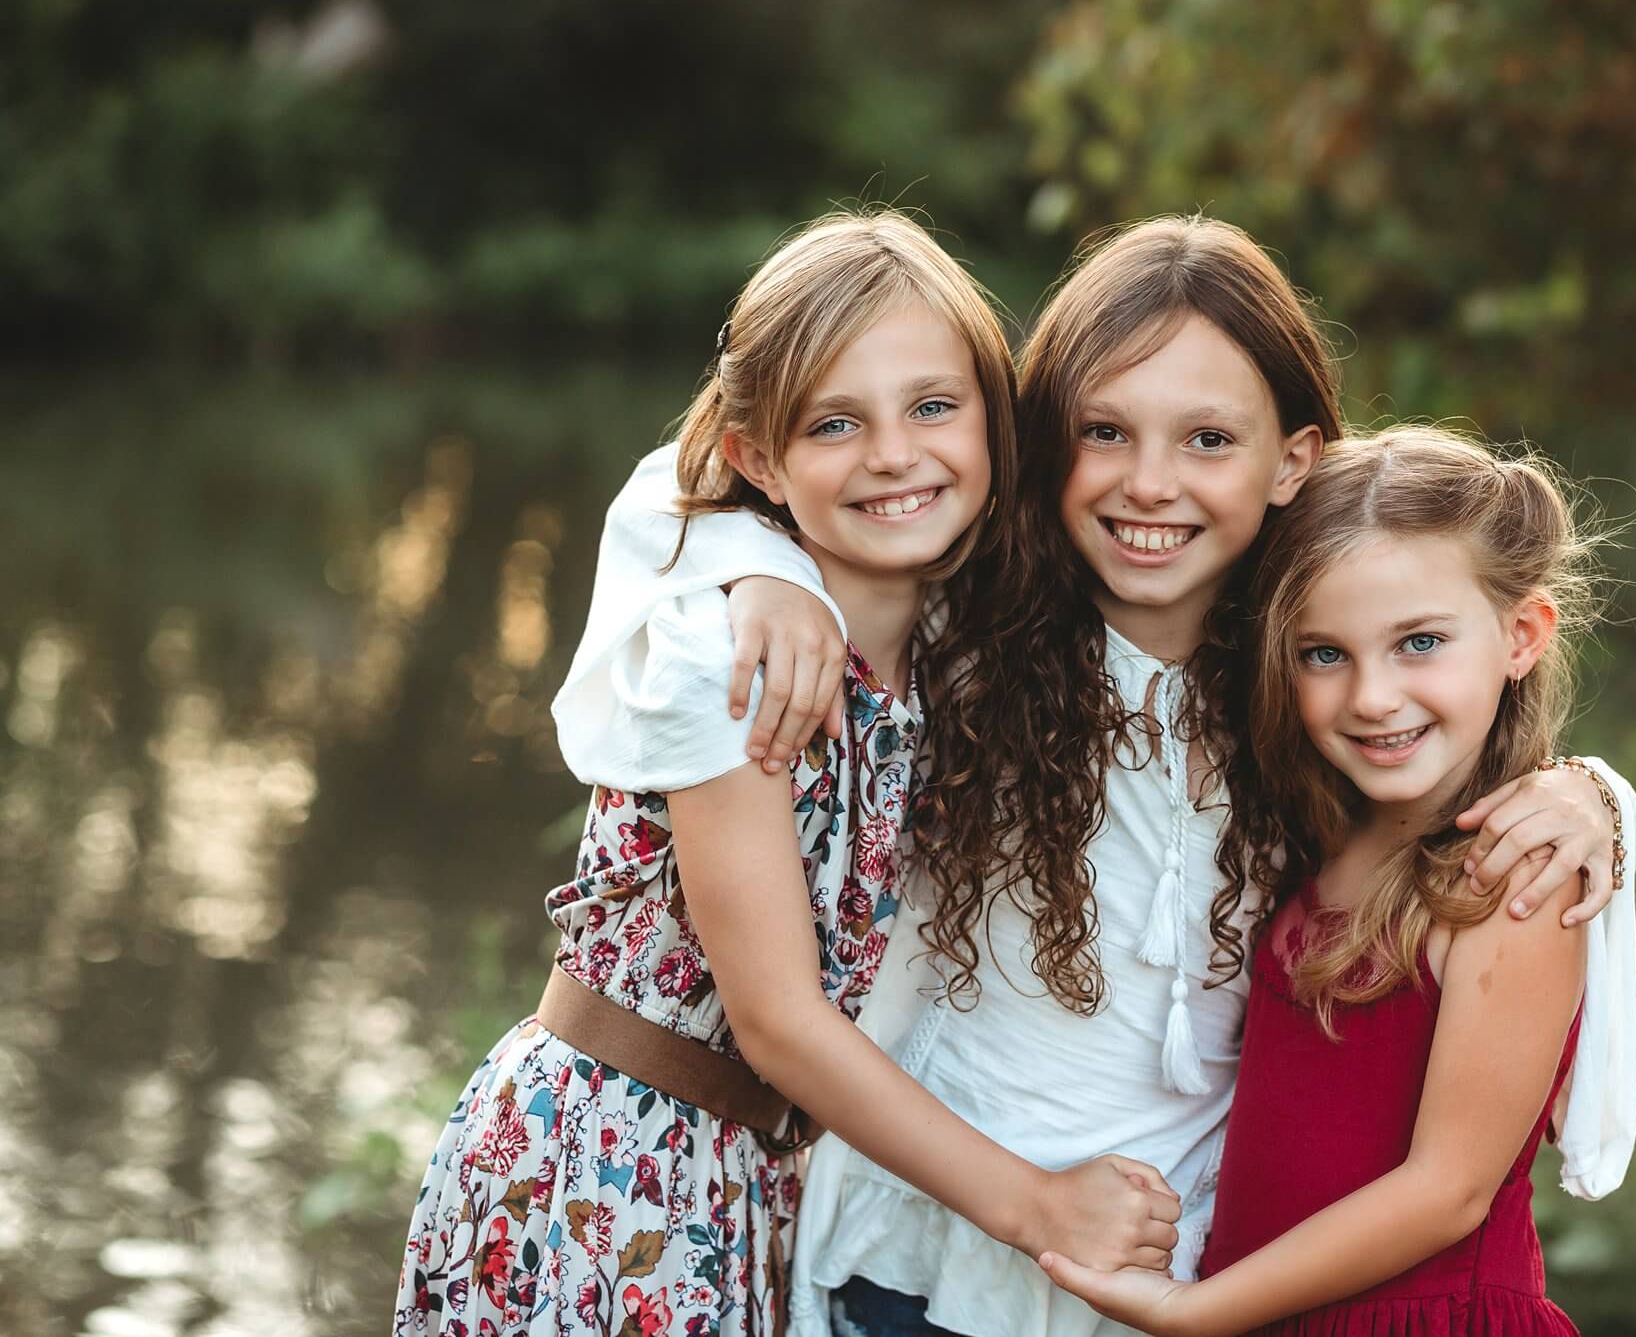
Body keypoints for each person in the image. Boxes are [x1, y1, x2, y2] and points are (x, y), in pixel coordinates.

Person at [664, 217, 1636, 1337]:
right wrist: (752, 564)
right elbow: (688, 484)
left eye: (1207, 441)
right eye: (1103, 432)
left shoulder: (1307, 669)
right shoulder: (959, 624)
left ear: (1293, 461)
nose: (1149, 485)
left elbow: (1455, 710)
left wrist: (1600, 800)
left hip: (1188, 1273)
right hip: (935, 1261)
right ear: (1042, 441)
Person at [392, 211, 1180, 1337]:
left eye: (933, 407)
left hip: (751, 1178)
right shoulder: (723, 651)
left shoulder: (955, 639)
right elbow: (775, 1022)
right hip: (603, 1170)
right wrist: (1036, 1206)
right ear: (761, 458)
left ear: (995, 424)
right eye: (835, 423)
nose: (895, 455)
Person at [1042, 427, 1622, 1335]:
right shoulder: (1318, 831)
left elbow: (1448, 1190)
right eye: (1324, 654)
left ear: (1521, 636)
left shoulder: (1516, 879)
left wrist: (1200, 1310)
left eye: (1419, 642)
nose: (1372, 697)